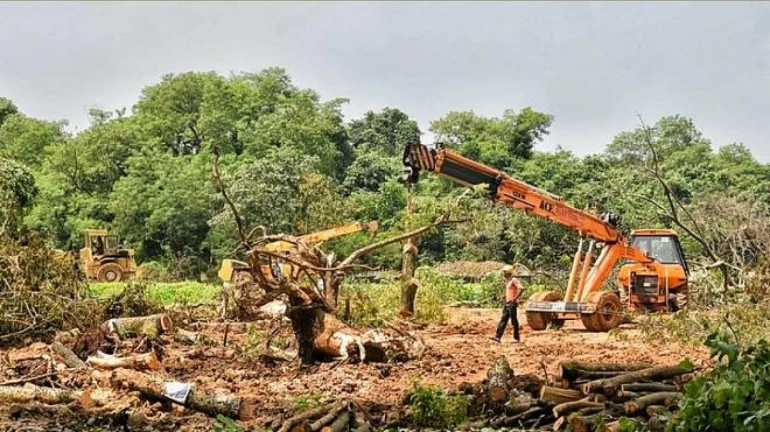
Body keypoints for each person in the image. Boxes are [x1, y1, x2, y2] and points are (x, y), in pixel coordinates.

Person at [491, 265, 523, 343]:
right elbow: (510, 291)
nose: (503, 273)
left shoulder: (514, 280)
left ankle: (516, 338)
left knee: (514, 321)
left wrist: (514, 299)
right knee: (503, 320)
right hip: (507, 303)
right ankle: (497, 337)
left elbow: (521, 288)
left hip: (512, 304)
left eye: (505, 272)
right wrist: (504, 297)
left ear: (509, 273)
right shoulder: (507, 280)